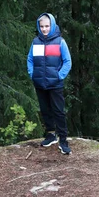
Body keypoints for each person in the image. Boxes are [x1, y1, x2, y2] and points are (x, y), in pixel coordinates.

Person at [27, 13, 72, 154]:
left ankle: (63, 140)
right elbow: (30, 60)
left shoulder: (60, 42)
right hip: (40, 84)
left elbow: (67, 61)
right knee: (45, 110)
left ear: (52, 25)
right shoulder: (35, 42)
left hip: (55, 84)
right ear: (38, 27)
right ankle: (51, 135)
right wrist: (32, 73)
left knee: (58, 112)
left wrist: (59, 76)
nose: (44, 29)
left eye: (47, 26)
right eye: (42, 26)